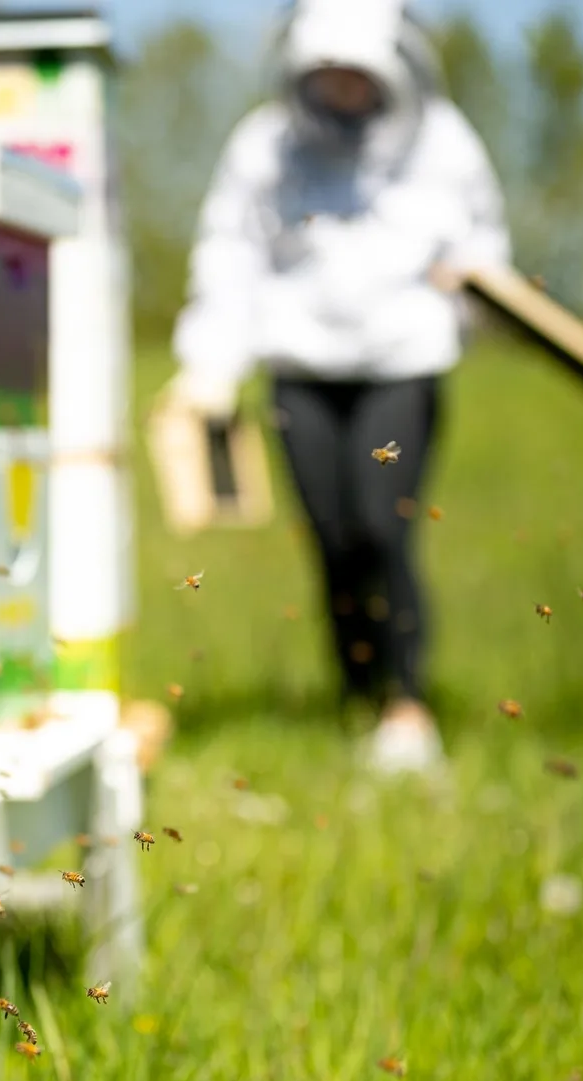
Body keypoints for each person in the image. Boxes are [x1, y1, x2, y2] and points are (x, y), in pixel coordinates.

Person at [155, 0, 510, 776]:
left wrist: (472, 287)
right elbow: (229, 251)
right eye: (329, 74)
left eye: (357, 74)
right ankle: (358, 696)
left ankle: (408, 706)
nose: (343, 88)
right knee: (334, 541)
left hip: (402, 365)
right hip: (301, 373)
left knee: (385, 528)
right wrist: (210, 363)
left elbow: (483, 237)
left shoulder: (443, 142)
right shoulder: (263, 145)